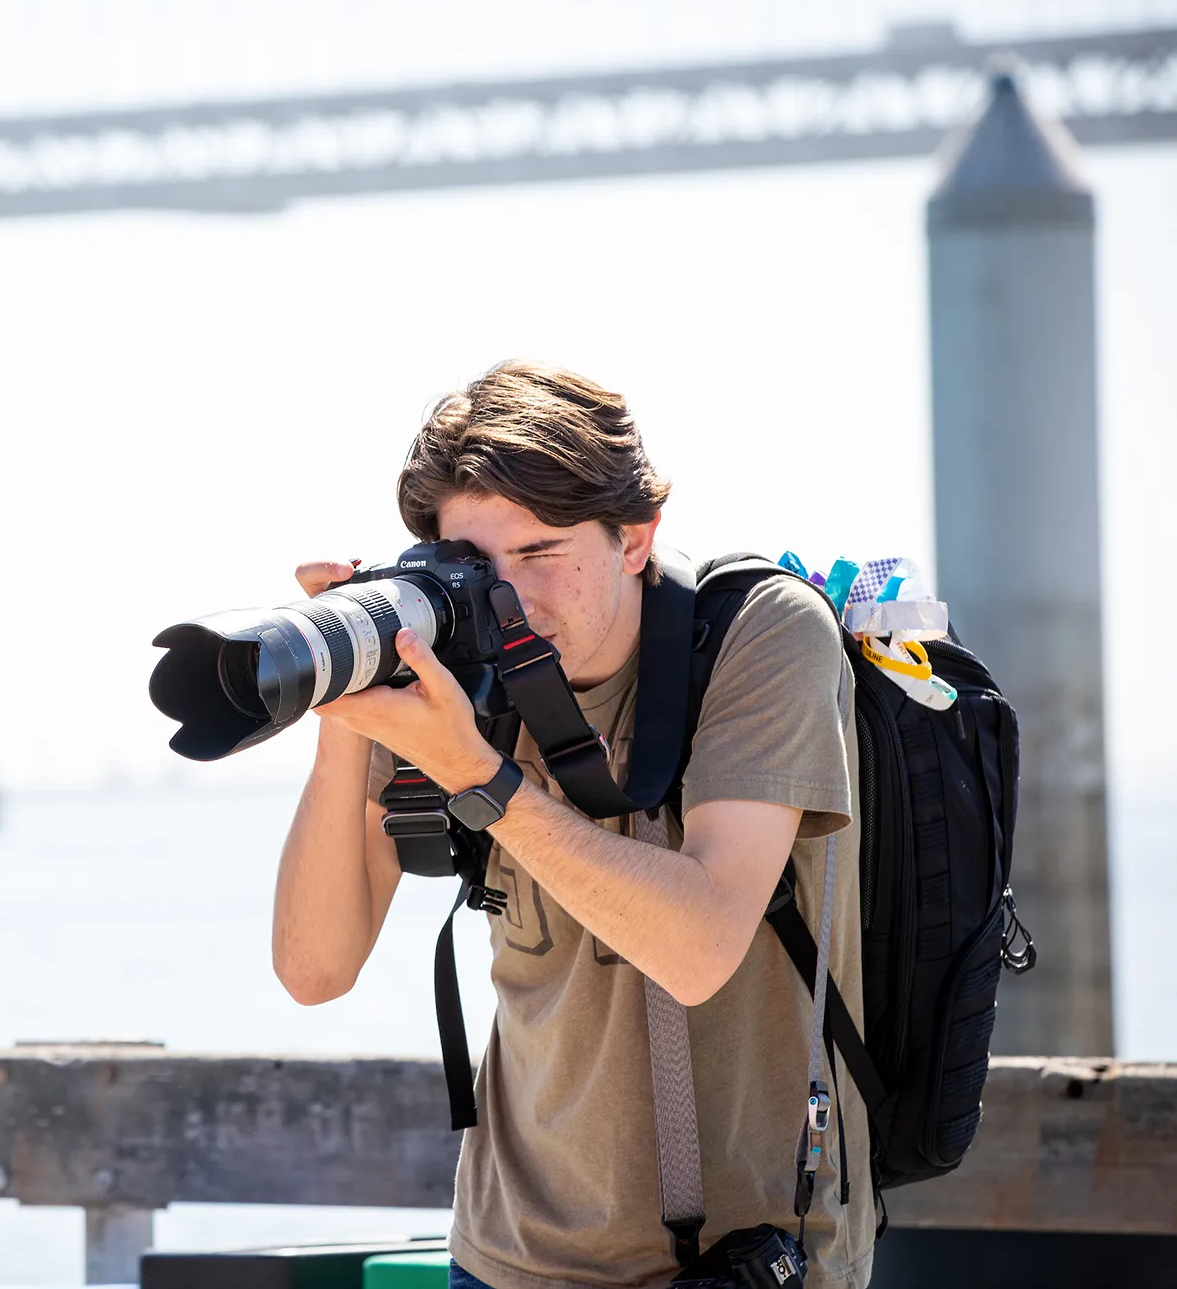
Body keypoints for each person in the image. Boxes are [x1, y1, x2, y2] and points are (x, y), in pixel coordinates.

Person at [272, 360, 871, 1289]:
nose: (509, 598)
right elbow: (315, 968)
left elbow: (700, 943)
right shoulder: (454, 681)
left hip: (736, 1265)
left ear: (636, 538)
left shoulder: (763, 637)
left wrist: (480, 770)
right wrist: (346, 712)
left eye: (541, 553)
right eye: (475, 567)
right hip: (502, 1258)